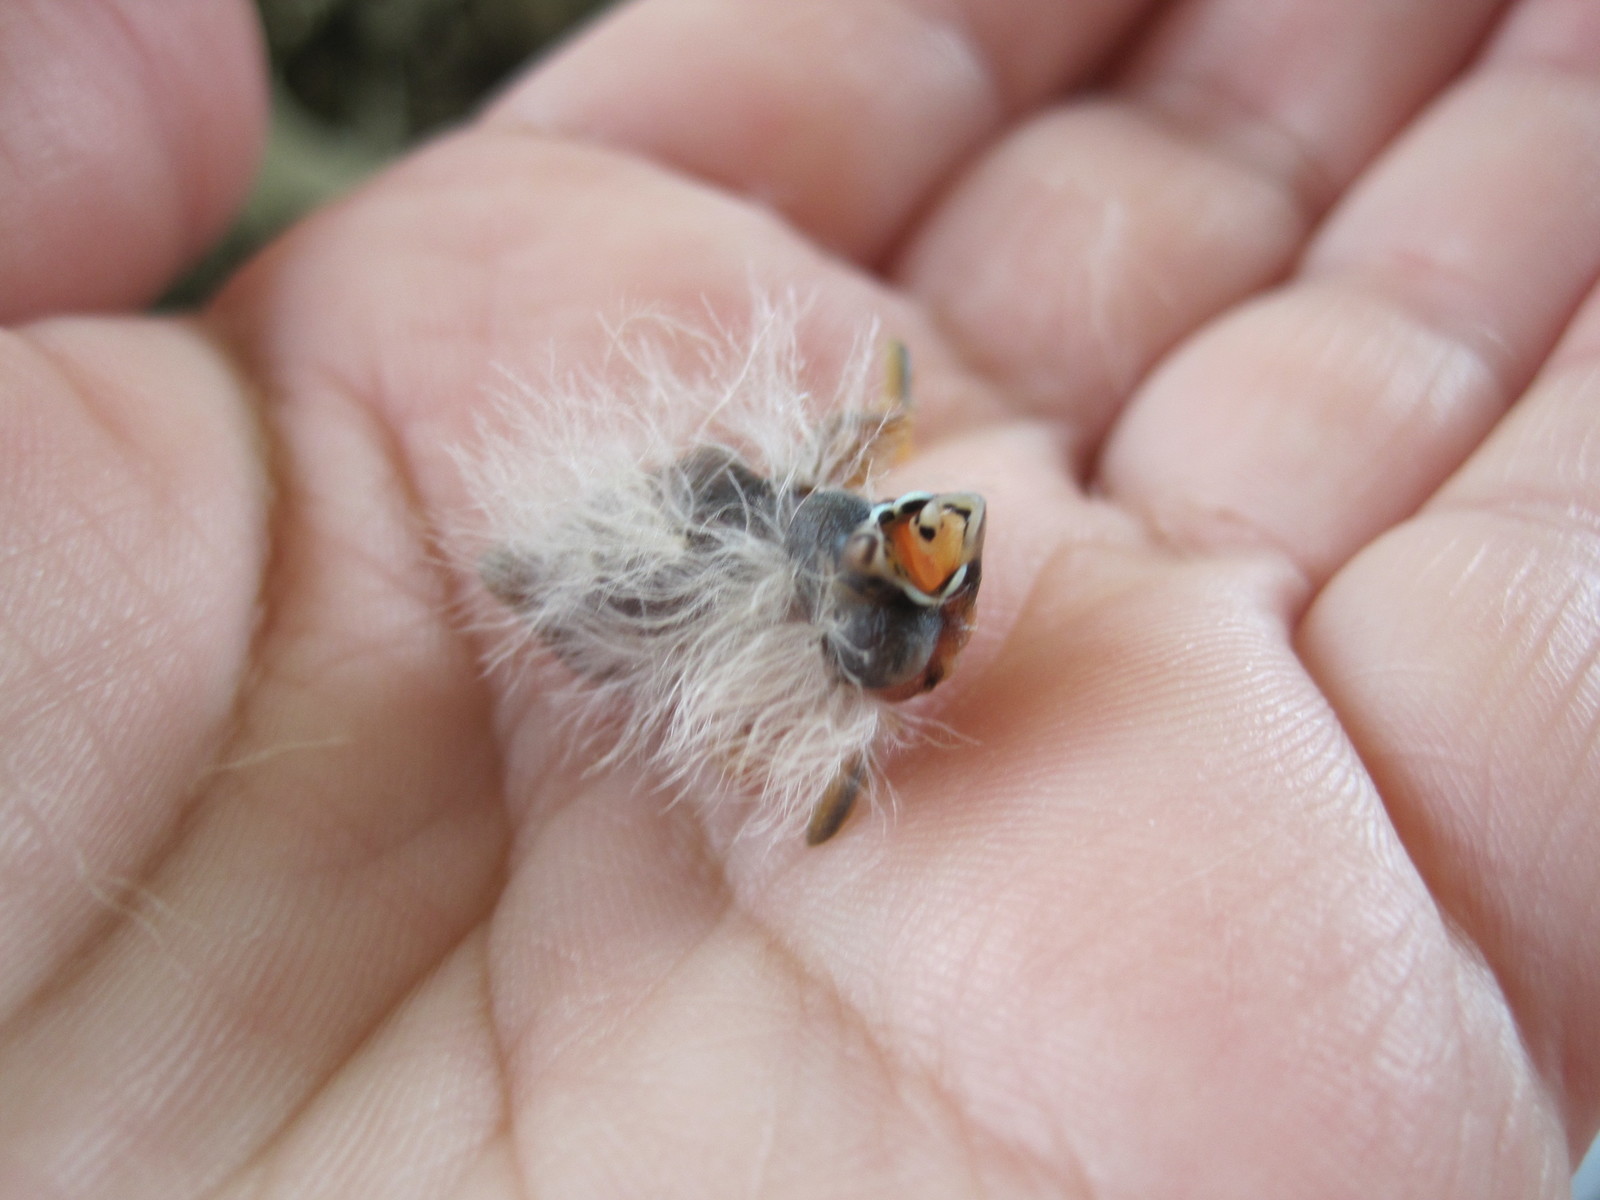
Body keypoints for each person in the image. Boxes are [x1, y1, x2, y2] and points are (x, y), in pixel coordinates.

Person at [2, 0, 1597, 1194]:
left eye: (927, 549)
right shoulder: (812, 587)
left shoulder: (832, 605)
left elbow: (835, 651)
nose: (942, 537)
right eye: (923, 540)